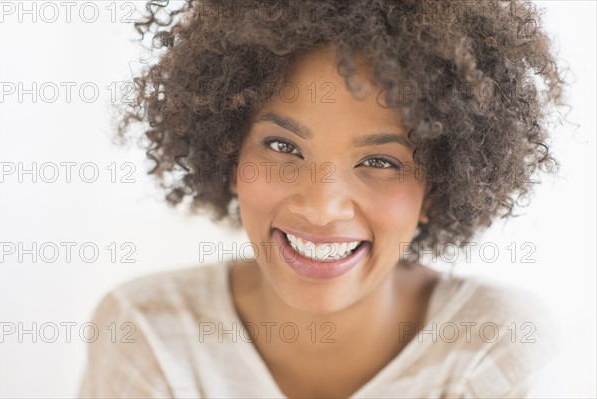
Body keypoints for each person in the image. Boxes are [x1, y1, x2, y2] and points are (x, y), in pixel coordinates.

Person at [79, 0, 566, 397]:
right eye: (283, 147)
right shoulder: (148, 331)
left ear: (435, 191)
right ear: (229, 154)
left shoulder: (495, 345)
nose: (320, 206)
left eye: (380, 162)